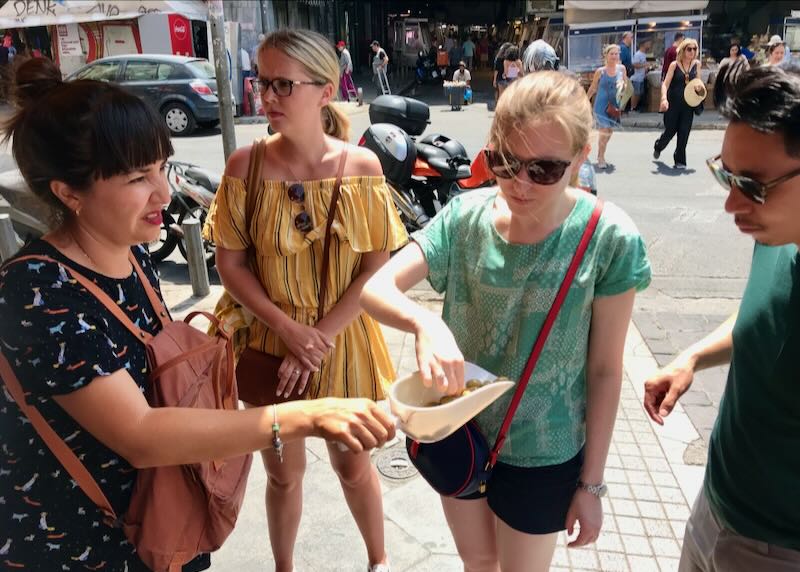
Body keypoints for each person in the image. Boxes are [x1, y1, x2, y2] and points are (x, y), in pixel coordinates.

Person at [0, 56, 395, 572]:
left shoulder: (133, 254)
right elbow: (140, 435)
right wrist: (305, 415)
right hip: (79, 545)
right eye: (138, 178)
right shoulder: (35, 291)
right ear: (69, 193)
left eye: (162, 168)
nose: (164, 194)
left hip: (163, 525)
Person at [361, 71, 651, 572]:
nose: (519, 184)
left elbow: (606, 369)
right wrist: (426, 325)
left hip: (546, 447)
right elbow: (375, 289)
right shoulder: (463, 218)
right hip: (459, 432)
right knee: (478, 562)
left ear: (580, 159)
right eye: (504, 162)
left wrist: (592, 484)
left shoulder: (609, 238)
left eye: (543, 170)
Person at [204, 29, 407, 572]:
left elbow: (375, 270)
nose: (265, 97)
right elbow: (231, 265)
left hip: (342, 341)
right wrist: (290, 332)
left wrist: (316, 340)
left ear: (324, 90)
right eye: (261, 82)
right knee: (282, 472)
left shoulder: (361, 169)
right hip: (271, 343)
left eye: (280, 85)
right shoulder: (243, 168)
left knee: (352, 465)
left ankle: (379, 560)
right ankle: (284, 567)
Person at [643, 63, 800, 572]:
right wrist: (692, 356)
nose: (732, 203)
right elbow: (765, 311)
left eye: (752, 185)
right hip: (715, 506)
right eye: (726, 176)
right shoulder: (778, 233)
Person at [654, 38, 702, 169]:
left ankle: (680, 160)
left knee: (684, 132)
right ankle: (659, 146)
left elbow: (698, 82)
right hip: (673, 103)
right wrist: (664, 98)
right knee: (670, 131)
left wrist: (699, 90)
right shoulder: (674, 65)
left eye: (694, 49)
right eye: (689, 49)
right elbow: (665, 84)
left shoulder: (697, 64)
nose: (692, 51)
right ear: (683, 50)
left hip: (689, 104)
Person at [586, 44, 627, 169]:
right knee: (604, 130)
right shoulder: (600, 71)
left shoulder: (622, 69)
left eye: (616, 54)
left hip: (614, 105)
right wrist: (584, 101)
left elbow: (626, 85)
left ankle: (600, 153)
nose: (614, 56)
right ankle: (601, 157)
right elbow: (593, 88)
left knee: (609, 132)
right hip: (601, 105)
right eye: (612, 54)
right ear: (606, 56)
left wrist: (622, 86)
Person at [631, 38, 652, 112]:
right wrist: (644, 65)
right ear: (643, 44)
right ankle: (632, 108)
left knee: (640, 93)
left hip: (642, 77)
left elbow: (648, 64)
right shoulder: (638, 54)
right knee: (636, 93)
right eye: (648, 43)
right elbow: (635, 64)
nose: (649, 45)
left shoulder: (645, 54)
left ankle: (635, 107)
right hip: (637, 77)